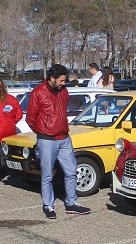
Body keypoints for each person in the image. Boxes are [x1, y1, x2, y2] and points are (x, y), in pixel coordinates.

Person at [27, 64, 90, 219]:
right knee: (47, 175)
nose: (63, 83)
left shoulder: (64, 92)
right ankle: (48, 205)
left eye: (64, 80)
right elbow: (30, 118)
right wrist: (43, 131)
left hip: (64, 138)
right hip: (47, 140)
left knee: (71, 172)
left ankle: (71, 203)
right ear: (52, 78)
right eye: (61, 80)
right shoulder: (38, 93)